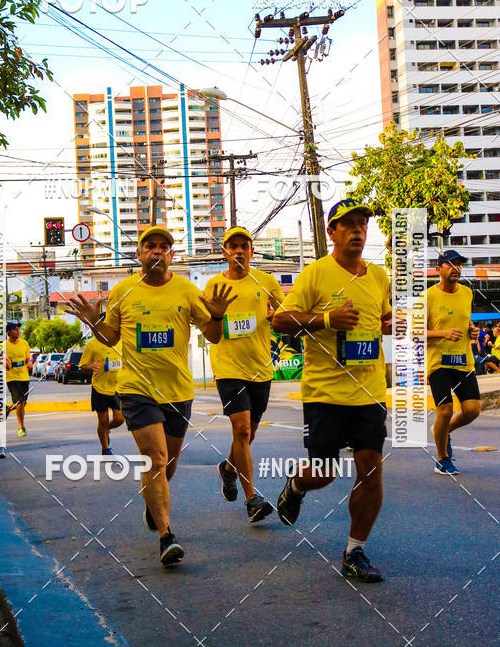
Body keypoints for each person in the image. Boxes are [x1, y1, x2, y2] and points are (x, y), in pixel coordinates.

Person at [66, 226, 236, 566]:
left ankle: (152, 505)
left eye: (164, 247)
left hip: (177, 390)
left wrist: (217, 314)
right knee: (156, 459)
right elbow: (110, 337)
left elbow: (215, 337)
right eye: (150, 246)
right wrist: (94, 322)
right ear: (140, 254)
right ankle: (166, 536)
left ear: (171, 255)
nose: (157, 252)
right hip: (135, 390)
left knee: (167, 466)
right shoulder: (124, 291)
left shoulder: (187, 290)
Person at [272, 198, 392, 583]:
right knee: (324, 471)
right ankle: (296, 485)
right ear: (332, 232)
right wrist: (326, 319)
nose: (358, 229)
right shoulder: (315, 274)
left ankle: (354, 551)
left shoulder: (378, 276)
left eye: (362, 223)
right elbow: (280, 320)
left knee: (370, 470)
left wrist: (393, 322)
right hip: (324, 392)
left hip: (369, 390)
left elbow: (384, 317)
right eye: (349, 224)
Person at [203, 226, 284, 522]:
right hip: (228, 367)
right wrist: (216, 314)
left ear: (251, 251)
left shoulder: (266, 281)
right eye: (232, 246)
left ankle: (228, 469)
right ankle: (252, 499)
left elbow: (285, 313)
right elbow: (207, 327)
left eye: (244, 246)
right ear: (224, 252)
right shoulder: (213, 285)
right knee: (241, 430)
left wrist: (278, 317)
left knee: (248, 434)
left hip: (261, 368)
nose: (238, 251)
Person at [426, 250, 481, 475]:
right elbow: (414, 333)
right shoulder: (428, 297)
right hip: (439, 363)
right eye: (451, 264)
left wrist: (472, 330)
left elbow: (466, 320)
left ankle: (442, 431)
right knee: (445, 409)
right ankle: (442, 459)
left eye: (459, 264)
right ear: (438, 270)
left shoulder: (467, 293)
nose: (456, 268)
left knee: (473, 410)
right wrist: (443, 333)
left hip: (463, 361)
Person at [79, 321, 125, 454]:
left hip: (117, 388)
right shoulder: (92, 344)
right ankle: (105, 449)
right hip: (100, 388)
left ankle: (104, 430)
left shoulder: (121, 341)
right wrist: (91, 366)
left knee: (119, 419)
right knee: (103, 420)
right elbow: (82, 366)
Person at [5, 322, 32, 437]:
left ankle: (7, 408)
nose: (18, 331)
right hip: (11, 377)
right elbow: (2, 361)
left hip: (24, 376)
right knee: (20, 402)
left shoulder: (24, 343)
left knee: (22, 403)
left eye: (18, 329)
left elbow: (27, 359)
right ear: (9, 332)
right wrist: (5, 363)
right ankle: (21, 428)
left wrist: (30, 363)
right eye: (15, 330)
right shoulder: (3, 346)